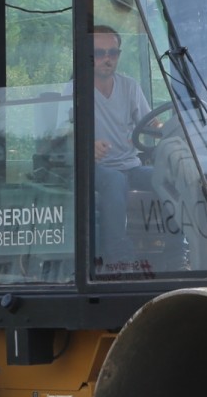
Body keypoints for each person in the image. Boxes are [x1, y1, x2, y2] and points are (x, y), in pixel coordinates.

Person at [63, 24, 153, 267]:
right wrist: (84, 145)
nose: (107, 59)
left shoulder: (130, 87)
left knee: (167, 175)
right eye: (99, 53)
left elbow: (151, 124)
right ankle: (118, 258)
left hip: (130, 166)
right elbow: (57, 136)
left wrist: (176, 129)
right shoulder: (73, 90)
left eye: (113, 53)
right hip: (91, 169)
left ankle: (178, 248)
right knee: (114, 180)